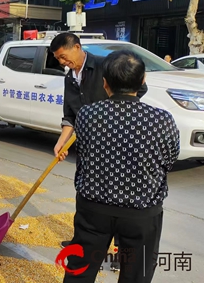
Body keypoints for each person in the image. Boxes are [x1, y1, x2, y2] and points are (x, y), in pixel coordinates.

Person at [62, 50, 180, 283]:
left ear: (105, 84)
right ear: (143, 81)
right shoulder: (162, 119)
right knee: (136, 274)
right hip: (141, 213)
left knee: (80, 271)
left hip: (93, 209)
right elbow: (168, 161)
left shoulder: (87, 115)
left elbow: (83, 154)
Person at [50, 32, 148, 265]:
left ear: (77, 47)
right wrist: (62, 141)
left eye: (64, 57)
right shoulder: (69, 78)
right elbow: (70, 115)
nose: (63, 62)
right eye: (59, 60)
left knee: (117, 194)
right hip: (87, 145)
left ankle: (118, 249)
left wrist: (109, 114)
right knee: (85, 190)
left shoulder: (106, 66)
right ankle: (81, 240)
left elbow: (136, 91)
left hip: (114, 143)